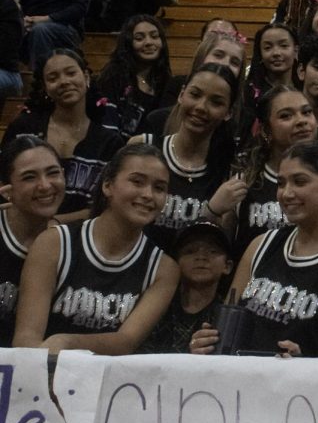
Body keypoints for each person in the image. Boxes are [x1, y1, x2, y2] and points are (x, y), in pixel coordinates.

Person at [190, 140, 318, 358]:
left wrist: (303, 364)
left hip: (299, 391)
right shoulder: (260, 246)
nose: (286, 193)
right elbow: (226, 334)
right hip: (240, 385)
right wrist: (205, 345)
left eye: (299, 182)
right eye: (281, 183)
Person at [13, 144, 179, 354]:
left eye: (159, 188)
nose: (148, 194)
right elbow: (26, 337)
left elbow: (125, 342)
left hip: (110, 383)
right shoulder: (54, 243)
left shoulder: (164, 270)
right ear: (107, 185)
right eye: (137, 182)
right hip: (41, 373)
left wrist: (67, 342)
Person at [2, 49, 124, 221]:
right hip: (24, 228)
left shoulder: (109, 142)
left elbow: (108, 205)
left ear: (86, 77)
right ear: (45, 88)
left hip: (81, 237)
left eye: (71, 73)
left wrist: (55, 224)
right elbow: (5, 184)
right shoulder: (23, 128)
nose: (64, 82)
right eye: (53, 78)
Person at [132, 63, 240, 250]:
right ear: (182, 94)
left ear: (229, 112)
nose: (201, 107)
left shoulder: (229, 173)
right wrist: (210, 211)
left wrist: (214, 213)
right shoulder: (143, 147)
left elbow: (216, 251)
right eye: (195, 95)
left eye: (216, 102)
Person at [231, 86, 316, 260]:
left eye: (306, 112)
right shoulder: (243, 183)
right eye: (286, 115)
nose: (301, 121)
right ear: (265, 130)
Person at [0, 136, 66, 346]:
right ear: (7, 190)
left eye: (53, 173)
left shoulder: (70, 243)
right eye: (29, 177)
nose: (45, 185)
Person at [140, 221, 233, 353]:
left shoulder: (228, 317)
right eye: (190, 251)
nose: (201, 257)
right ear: (175, 262)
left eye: (213, 251)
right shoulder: (156, 306)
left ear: (227, 266)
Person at [95, 14, 173, 139]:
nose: (148, 42)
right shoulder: (114, 76)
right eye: (139, 38)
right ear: (128, 43)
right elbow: (107, 127)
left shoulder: (166, 82)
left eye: (154, 36)